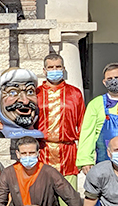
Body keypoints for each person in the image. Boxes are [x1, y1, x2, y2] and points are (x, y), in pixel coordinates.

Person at [36, 52, 85, 189]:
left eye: (58, 67)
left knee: (69, 203)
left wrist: (84, 157)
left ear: (63, 69)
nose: (54, 70)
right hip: (43, 153)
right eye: (51, 67)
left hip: (68, 154)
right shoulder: (36, 94)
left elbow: (82, 125)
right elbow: (22, 118)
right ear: (44, 71)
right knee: (44, 201)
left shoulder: (75, 93)